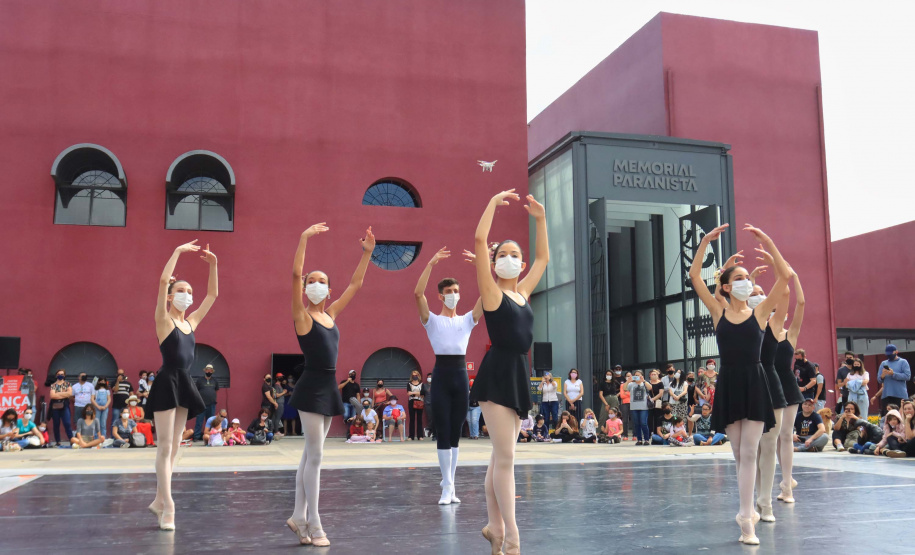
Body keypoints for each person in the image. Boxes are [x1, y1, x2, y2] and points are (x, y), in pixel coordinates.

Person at [690, 223, 789, 546]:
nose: (747, 282)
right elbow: (694, 277)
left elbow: (785, 278)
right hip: (730, 381)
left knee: (750, 451)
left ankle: (747, 518)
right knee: (737, 453)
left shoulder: (760, 313)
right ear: (727, 287)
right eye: (739, 278)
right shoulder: (717, 311)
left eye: (748, 277)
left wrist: (770, 243)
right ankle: (745, 511)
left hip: (755, 381)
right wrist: (705, 241)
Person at [469, 189, 547, 555]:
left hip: (517, 372)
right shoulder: (492, 294)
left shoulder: (523, 293)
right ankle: (512, 535)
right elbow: (480, 238)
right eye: (503, 256)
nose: (510, 260)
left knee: (499, 458)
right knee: (506, 459)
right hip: (497, 373)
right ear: (493, 261)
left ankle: (495, 527)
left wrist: (542, 220)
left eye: (515, 256)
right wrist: (491, 203)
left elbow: (544, 257)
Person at [286, 222, 374, 547]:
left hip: (328, 387)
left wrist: (367, 253)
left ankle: (298, 516)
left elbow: (357, 283)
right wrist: (303, 238)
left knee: (309, 456)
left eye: (322, 282)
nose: (316, 285)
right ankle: (315, 523)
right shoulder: (302, 316)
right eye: (313, 281)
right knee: (317, 457)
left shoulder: (332, 314)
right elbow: (295, 275)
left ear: (329, 290)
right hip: (310, 386)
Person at [146, 240, 218, 531]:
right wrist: (176, 251)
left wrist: (213, 265)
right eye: (181, 291)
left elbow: (213, 294)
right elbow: (164, 279)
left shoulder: (192, 323)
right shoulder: (163, 320)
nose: (187, 296)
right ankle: (169, 506)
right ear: (170, 296)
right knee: (164, 447)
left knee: (175, 446)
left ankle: (158, 500)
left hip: (185, 383)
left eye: (189, 292)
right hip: (167, 382)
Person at [414, 248, 485, 503]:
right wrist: (431, 263)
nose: (453, 295)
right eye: (449, 292)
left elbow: (487, 295)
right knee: (442, 430)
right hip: (442, 376)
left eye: (456, 291)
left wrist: (482, 265)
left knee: (456, 431)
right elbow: (417, 293)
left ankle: (451, 484)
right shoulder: (431, 320)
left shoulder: (467, 320)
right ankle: (446, 487)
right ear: (440, 296)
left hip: (461, 377)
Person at [875, 345, 911, 416]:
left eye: (891, 354)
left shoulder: (903, 362)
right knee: (887, 416)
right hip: (886, 394)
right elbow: (879, 380)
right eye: (887, 354)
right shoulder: (884, 363)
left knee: (901, 416)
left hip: (900, 394)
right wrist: (883, 376)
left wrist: (893, 374)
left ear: (896, 352)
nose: (889, 355)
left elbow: (907, 376)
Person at [193, 364, 220, 441]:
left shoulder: (215, 380)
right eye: (208, 370)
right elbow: (196, 391)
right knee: (199, 421)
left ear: (212, 371)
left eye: (210, 370)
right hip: (201, 404)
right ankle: (196, 436)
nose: (209, 371)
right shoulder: (200, 380)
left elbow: (216, 390)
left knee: (211, 421)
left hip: (211, 404)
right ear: (205, 370)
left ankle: (210, 436)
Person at [625, 371, 651, 445]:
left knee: (643, 423)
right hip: (634, 407)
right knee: (636, 424)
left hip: (644, 407)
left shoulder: (644, 383)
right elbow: (624, 388)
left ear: (642, 376)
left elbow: (650, 388)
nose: (636, 377)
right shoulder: (631, 384)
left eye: (638, 375)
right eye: (635, 375)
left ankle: (646, 439)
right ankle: (639, 439)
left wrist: (644, 381)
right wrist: (628, 381)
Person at [406, 370, 425, 441]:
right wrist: (418, 393)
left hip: (420, 402)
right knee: (412, 419)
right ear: (412, 376)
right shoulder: (409, 384)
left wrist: (413, 393)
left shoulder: (421, 384)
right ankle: (411, 436)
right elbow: (408, 393)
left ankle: (420, 436)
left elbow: (423, 393)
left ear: (418, 376)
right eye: (414, 375)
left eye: (416, 375)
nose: (415, 376)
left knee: (419, 419)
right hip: (411, 402)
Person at [647, 369, 664, 441]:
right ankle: (649, 433)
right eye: (652, 374)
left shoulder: (660, 383)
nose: (653, 376)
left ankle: (656, 432)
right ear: (650, 376)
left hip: (658, 402)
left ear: (658, 375)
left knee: (657, 418)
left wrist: (653, 399)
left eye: (655, 374)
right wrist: (649, 399)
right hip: (649, 403)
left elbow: (661, 393)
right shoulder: (647, 383)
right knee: (649, 418)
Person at [619, 372, 632, 441]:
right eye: (627, 376)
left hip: (633, 403)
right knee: (625, 420)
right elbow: (622, 395)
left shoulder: (634, 384)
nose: (629, 377)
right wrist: (628, 393)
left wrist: (626, 393)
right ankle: (625, 434)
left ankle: (635, 434)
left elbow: (633, 395)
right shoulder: (622, 385)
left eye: (630, 376)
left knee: (634, 419)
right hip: (625, 403)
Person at [423, 374, 435, 439]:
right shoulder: (424, 385)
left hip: (435, 403)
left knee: (435, 418)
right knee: (430, 417)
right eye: (429, 377)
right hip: (428, 403)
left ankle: (430, 429)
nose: (430, 378)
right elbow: (422, 394)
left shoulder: (435, 385)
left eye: (431, 377)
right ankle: (428, 429)